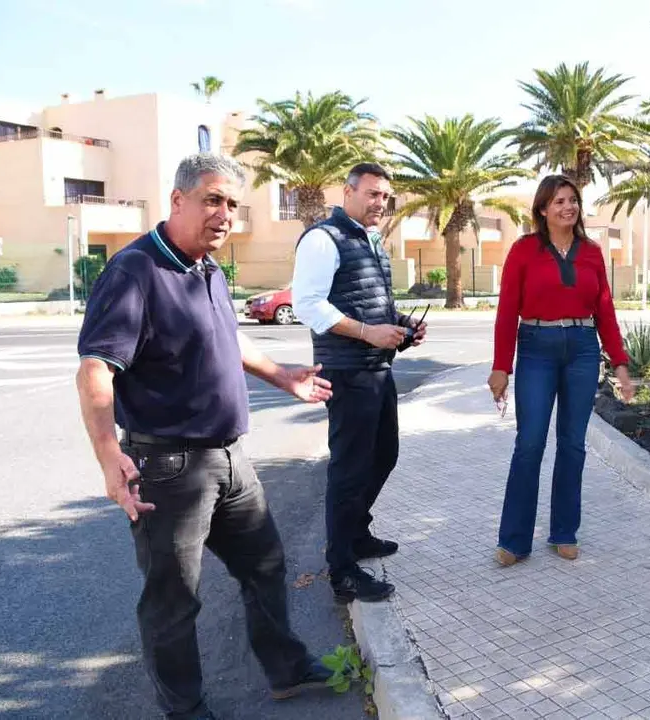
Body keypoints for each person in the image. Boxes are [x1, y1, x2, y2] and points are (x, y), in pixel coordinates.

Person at [75, 153, 336, 720]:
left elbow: (226, 340)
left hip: (229, 459)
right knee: (174, 600)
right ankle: (186, 711)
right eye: (213, 200)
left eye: (232, 205)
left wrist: (281, 374)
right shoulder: (135, 271)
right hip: (167, 468)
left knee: (264, 565)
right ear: (178, 200)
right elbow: (96, 368)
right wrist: (107, 455)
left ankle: (286, 668)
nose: (225, 215)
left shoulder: (208, 270)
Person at [291, 162, 426, 605]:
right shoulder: (323, 239)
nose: (379, 203)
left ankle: (356, 533)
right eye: (372, 194)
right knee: (349, 471)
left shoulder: (369, 240)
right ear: (347, 192)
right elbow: (308, 305)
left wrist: (401, 326)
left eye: (385, 196)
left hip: (377, 368)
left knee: (384, 455)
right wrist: (368, 333)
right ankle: (342, 568)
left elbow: (372, 304)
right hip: (348, 372)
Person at [488, 174, 635, 566]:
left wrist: (619, 363)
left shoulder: (591, 252)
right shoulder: (523, 250)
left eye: (572, 200)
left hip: (583, 352)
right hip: (536, 349)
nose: (568, 207)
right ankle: (515, 540)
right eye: (559, 201)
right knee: (530, 443)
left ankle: (564, 531)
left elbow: (605, 309)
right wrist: (501, 367)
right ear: (542, 209)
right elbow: (506, 313)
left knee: (572, 445)